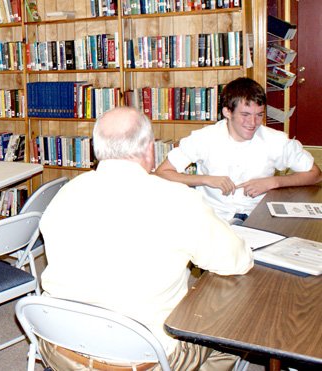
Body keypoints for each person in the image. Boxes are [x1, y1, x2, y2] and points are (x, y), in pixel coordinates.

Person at [39, 107, 254, 371]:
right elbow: (237, 262)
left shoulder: (65, 194)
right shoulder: (179, 200)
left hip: (60, 349)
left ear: (97, 150)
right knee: (232, 329)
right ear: (150, 150)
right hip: (144, 360)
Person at [155, 77, 322, 223]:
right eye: (245, 114)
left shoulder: (275, 140)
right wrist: (206, 179)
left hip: (259, 216)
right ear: (227, 112)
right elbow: (162, 172)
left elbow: (315, 174)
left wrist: (273, 182)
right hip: (215, 217)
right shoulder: (204, 138)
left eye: (259, 115)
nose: (253, 122)